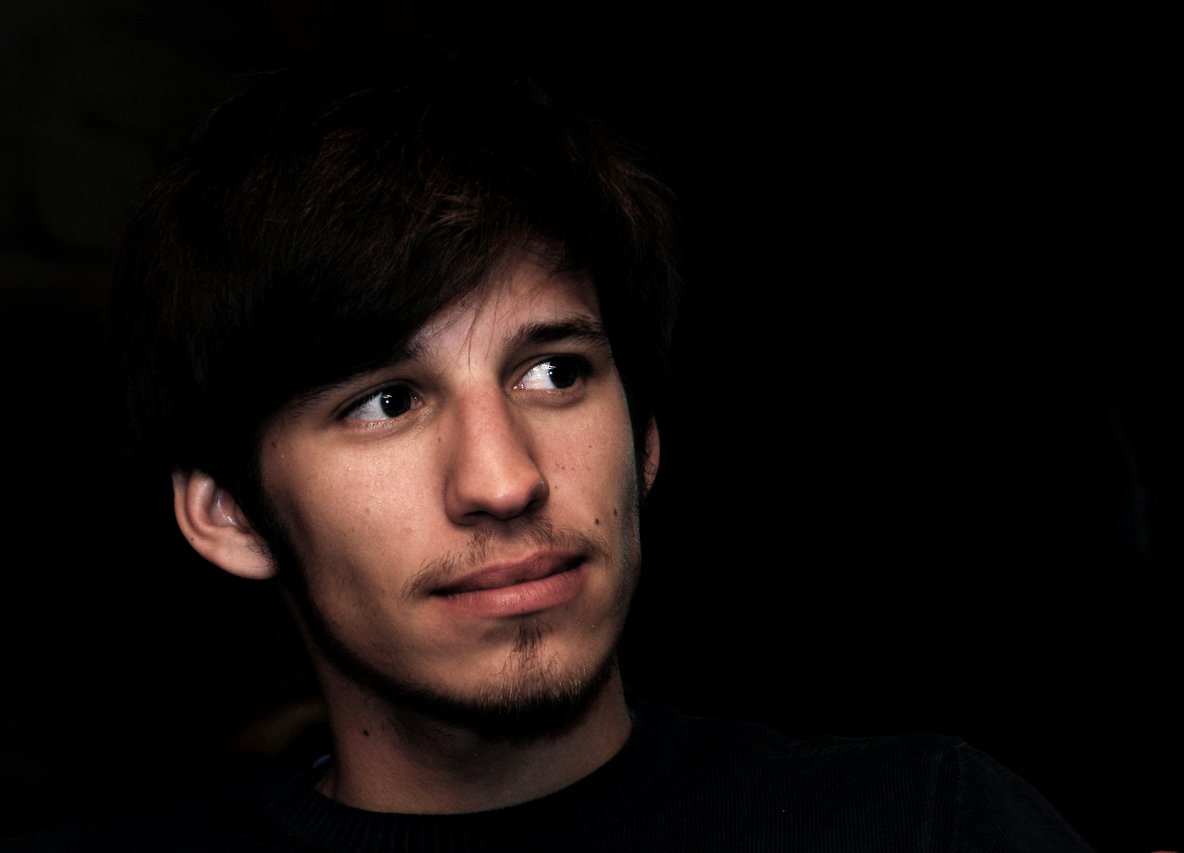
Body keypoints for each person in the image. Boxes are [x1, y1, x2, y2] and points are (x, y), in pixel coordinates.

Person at [2, 40, 1097, 853]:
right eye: (384, 401)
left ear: (644, 439)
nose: (506, 477)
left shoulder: (918, 824)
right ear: (228, 513)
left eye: (554, 373)